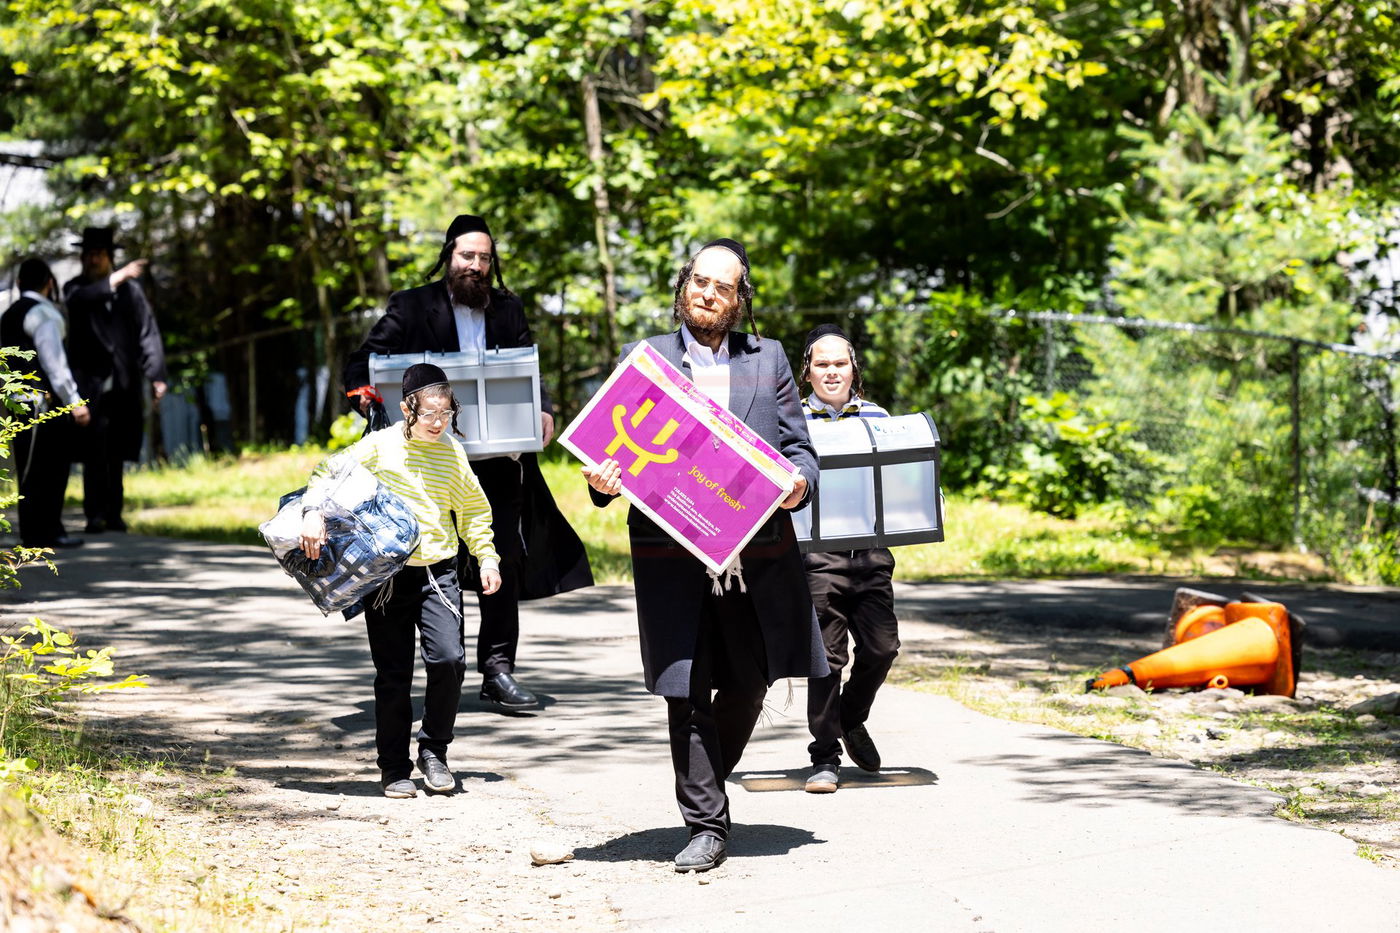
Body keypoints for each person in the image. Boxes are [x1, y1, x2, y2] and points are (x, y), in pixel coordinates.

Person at [582, 239, 824, 873]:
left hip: (754, 554)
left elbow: (799, 449)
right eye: (699, 281)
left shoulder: (768, 358)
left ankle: (708, 780)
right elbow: (608, 453)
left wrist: (799, 483)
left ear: (740, 299)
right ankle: (707, 825)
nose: (707, 293)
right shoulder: (646, 360)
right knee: (685, 689)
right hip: (669, 553)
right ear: (683, 285)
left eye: (722, 286)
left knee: (748, 682)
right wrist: (601, 481)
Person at [344, 214, 592, 712]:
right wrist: (366, 397)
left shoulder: (508, 308)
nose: (476, 266)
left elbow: (529, 369)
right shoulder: (412, 305)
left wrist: (544, 408)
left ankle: (498, 671)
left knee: (502, 558)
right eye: (467, 256)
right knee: (441, 560)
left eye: (484, 258)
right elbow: (362, 363)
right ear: (448, 257)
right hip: (429, 462)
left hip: (500, 460)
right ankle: (447, 668)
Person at [300, 363, 501, 798]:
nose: (437, 422)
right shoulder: (380, 445)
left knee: (448, 661)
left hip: (438, 572)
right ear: (407, 409)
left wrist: (487, 557)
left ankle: (434, 751)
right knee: (393, 674)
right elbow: (327, 473)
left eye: (445, 413)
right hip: (388, 576)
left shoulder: (452, 452)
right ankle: (394, 768)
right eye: (429, 413)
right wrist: (313, 512)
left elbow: (473, 510)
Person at [797, 325, 900, 793]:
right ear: (807, 371)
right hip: (817, 555)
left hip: (872, 553)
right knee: (828, 658)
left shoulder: (879, 417)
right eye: (822, 364)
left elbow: (903, 475)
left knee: (882, 648)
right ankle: (824, 757)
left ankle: (849, 718)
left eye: (840, 363)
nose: (832, 371)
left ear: (854, 369)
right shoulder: (793, 421)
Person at [63, 227, 167, 534]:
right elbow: (80, 301)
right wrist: (117, 278)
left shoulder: (131, 293)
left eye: (99, 254)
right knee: (93, 451)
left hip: (123, 385)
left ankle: (114, 514)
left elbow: (147, 332)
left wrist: (156, 374)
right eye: (89, 255)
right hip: (89, 386)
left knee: (117, 451)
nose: (93, 260)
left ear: (109, 257)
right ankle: (94, 514)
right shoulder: (75, 288)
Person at [2, 258, 91, 548]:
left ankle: (32, 533)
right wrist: (74, 401)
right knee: (51, 468)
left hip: (14, 402)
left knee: (28, 468)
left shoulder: (8, 314)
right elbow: (55, 363)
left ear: (19, 283)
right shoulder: (43, 313)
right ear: (49, 283)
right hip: (43, 403)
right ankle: (49, 531)